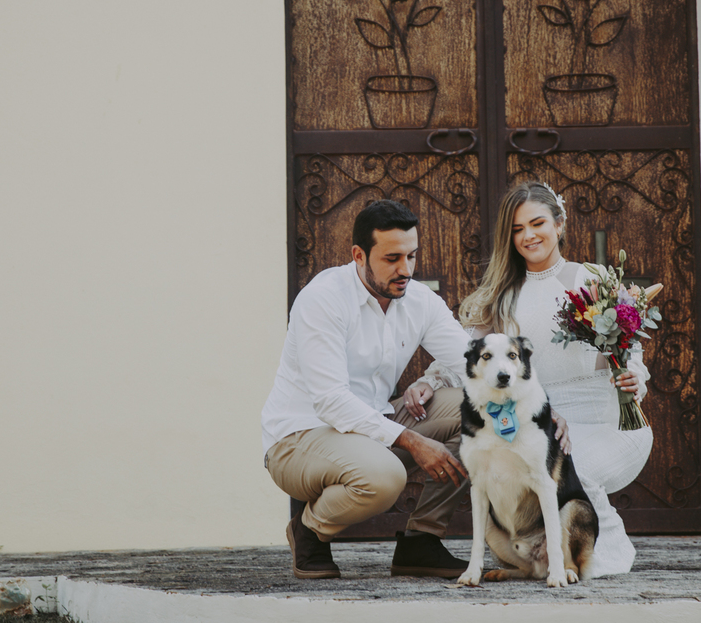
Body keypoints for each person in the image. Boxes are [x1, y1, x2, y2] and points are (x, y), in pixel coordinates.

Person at [412, 181, 653, 577]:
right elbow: (471, 353)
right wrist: (430, 381)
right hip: (541, 421)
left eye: (537, 223)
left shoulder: (589, 279)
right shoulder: (502, 295)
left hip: (607, 420)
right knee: (528, 476)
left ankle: (592, 561)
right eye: (517, 229)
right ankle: (537, 560)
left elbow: (630, 350)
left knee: (574, 472)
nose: (528, 236)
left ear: (559, 224)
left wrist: (634, 378)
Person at [260, 199, 473, 580]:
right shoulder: (323, 299)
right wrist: (412, 440)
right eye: (392, 258)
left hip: (373, 424)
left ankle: (421, 541)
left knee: (481, 411)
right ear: (359, 255)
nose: (405, 270)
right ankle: (308, 530)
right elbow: (330, 401)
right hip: (298, 438)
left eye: (411, 256)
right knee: (385, 477)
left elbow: (474, 364)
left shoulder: (418, 300)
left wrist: (541, 406)